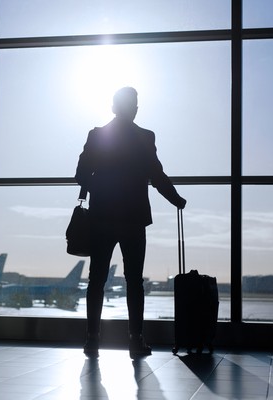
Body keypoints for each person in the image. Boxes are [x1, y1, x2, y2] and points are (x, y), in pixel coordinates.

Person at [75, 87, 186, 358]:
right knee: (134, 281)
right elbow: (157, 176)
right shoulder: (145, 138)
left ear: (113, 107)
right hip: (134, 218)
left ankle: (92, 340)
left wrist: (101, 188)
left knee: (96, 280)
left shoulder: (97, 135)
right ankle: (135, 340)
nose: (137, 107)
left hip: (102, 216)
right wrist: (176, 200)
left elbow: (80, 175)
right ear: (133, 107)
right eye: (135, 103)